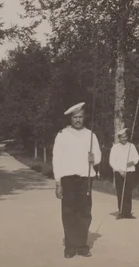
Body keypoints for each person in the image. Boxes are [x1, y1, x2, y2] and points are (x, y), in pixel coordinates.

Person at [52, 102, 102, 259]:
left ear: (84, 117)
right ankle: (70, 246)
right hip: (68, 179)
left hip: (85, 179)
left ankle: (82, 246)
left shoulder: (91, 135)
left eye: (80, 117)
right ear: (70, 119)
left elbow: (98, 156)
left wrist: (94, 159)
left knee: (84, 211)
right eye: (75, 117)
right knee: (68, 212)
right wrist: (58, 182)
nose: (78, 120)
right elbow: (56, 159)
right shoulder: (62, 135)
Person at [109, 127, 139, 219]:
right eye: (122, 137)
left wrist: (132, 162)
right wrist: (120, 170)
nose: (124, 139)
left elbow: (137, 157)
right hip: (119, 172)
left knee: (128, 192)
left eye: (125, 137)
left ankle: (128, 212)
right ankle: (121, 212)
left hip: (130, 172)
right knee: (120, 192)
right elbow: (111, 161)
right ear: (119, 138)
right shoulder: (115, 147)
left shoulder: (131, 146)